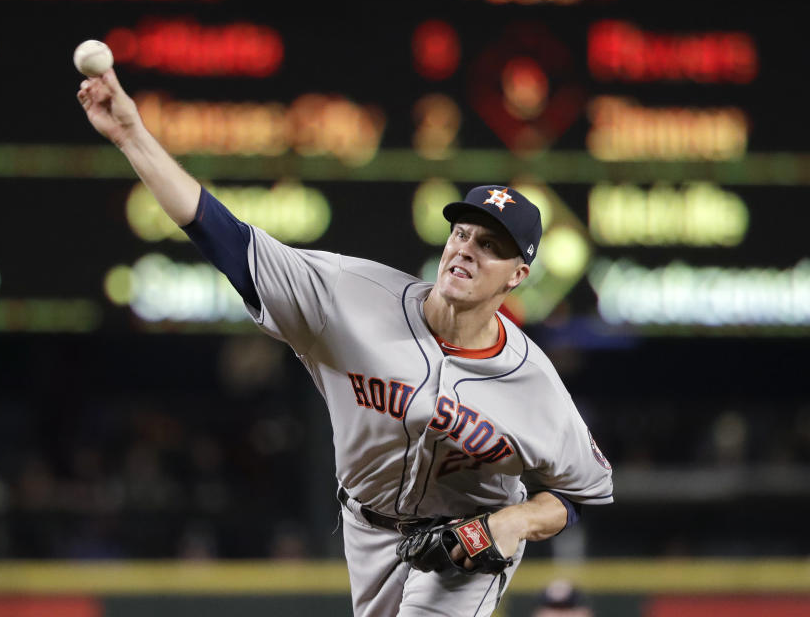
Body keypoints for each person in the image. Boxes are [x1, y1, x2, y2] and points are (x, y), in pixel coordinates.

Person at [77, 68, 613, 617]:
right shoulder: (350, 297)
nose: (467, 250)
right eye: (463, 233)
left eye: (492, 245)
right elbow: (225, 237)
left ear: (517, 276)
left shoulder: (531, 380)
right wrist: (131, 136)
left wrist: (512, 522)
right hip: (367, 527)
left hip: (466, 545)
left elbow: (586, 492)